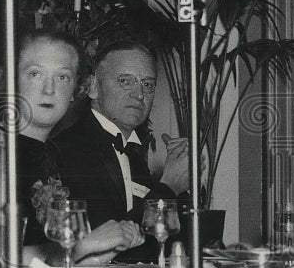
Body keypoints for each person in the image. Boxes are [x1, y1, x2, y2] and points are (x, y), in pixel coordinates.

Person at [9, 30, 143, 264]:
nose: (49, 89)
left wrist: (105, 251)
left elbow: (58, 264)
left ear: (75, 91)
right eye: (35, 74)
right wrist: (87, 244)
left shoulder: (51, 154)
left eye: (62, 77)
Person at [51, 39, 190, 234]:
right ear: (93, 87)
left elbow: (165, 239)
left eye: (148, 84)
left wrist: (183, 180)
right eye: (125, 81)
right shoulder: (68, 149)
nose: (140, 94)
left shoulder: (133, 152)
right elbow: (105, 237)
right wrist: (168, 187)